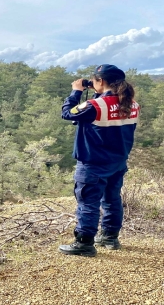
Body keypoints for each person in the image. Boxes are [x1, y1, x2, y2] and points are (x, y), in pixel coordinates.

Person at [58, 64, 139, 257]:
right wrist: (98, 92)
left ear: (100, 81)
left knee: (88, 202)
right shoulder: (132, 104)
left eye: (94, 81)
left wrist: (76, 92)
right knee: (112, 199)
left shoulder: (94, 106)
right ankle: (110, 237)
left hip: (93, 163)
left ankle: (84, 242)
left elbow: (67, 112)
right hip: (118, 161)